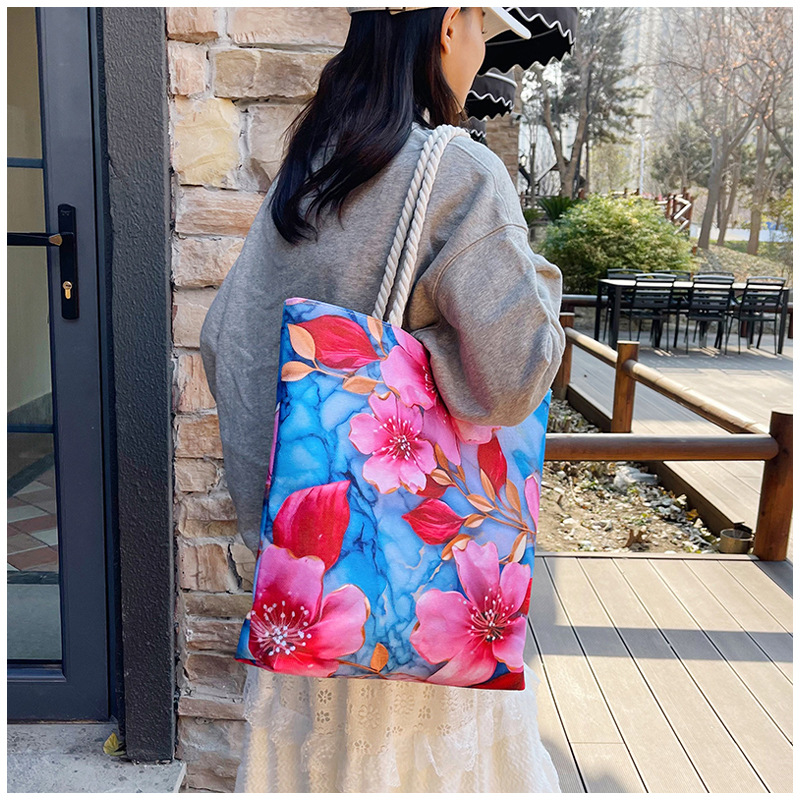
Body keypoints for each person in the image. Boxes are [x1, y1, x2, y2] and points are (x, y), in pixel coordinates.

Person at [199, 6, 565, 793]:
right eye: (483, 31)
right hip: (424, 611)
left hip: (318, 603)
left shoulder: (315, 165)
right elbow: (513, 378)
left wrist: (276, 519)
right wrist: (536, 278)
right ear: (449, 24)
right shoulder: (459, 171)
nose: (480, 54)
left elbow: (227, 337)